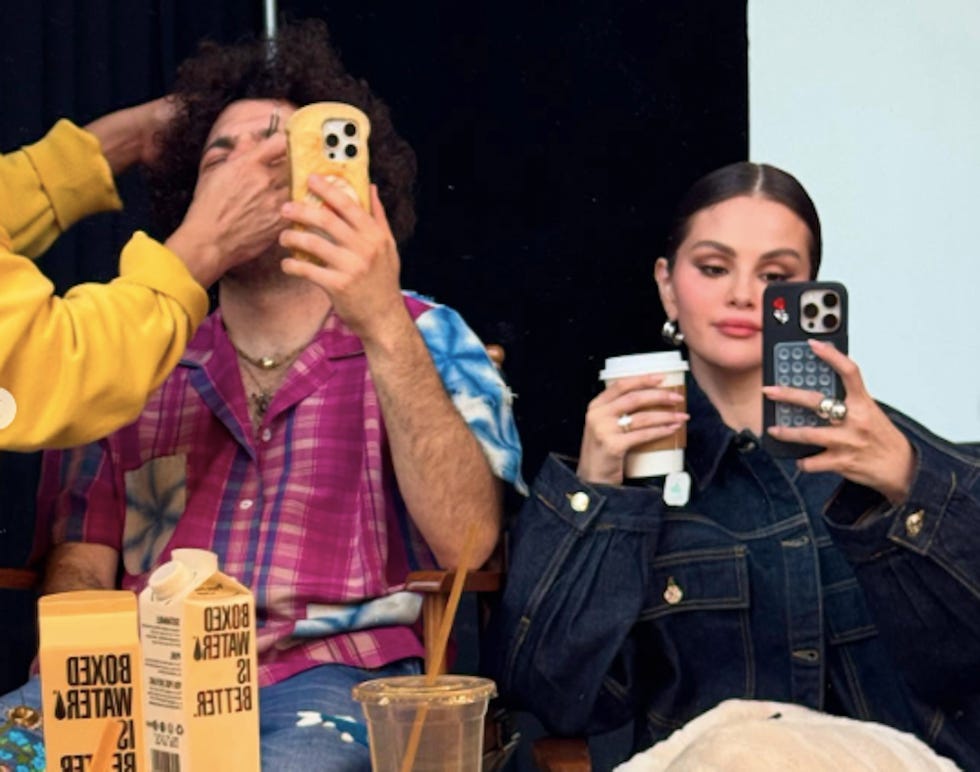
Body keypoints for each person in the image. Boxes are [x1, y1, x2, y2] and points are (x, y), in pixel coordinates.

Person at [4, 19, 523, 772]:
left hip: (332, 681)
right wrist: (75, 677)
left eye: (279, 149)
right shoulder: (134, 343)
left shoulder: (421, 331)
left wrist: (379, 320)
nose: (248, 168)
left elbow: (470, 545)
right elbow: (83, 557)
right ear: (191, 191)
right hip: (147, 681)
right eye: (221, 155)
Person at [490, 162, 980, 769]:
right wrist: (597, 496)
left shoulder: (893, 454)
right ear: (668, 286)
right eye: (714, 268)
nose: (744, 295)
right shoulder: (617, 474)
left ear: (808, 294)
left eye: (775, 276)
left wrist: (913, 483)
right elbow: (551, 700)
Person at [0, 94, 287, 450]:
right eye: (219, 159)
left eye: (274, 155)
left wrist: (121, 142)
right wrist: (206, 243)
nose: (240, 172)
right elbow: (36, 371)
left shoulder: (372, 353)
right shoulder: (145, 392)